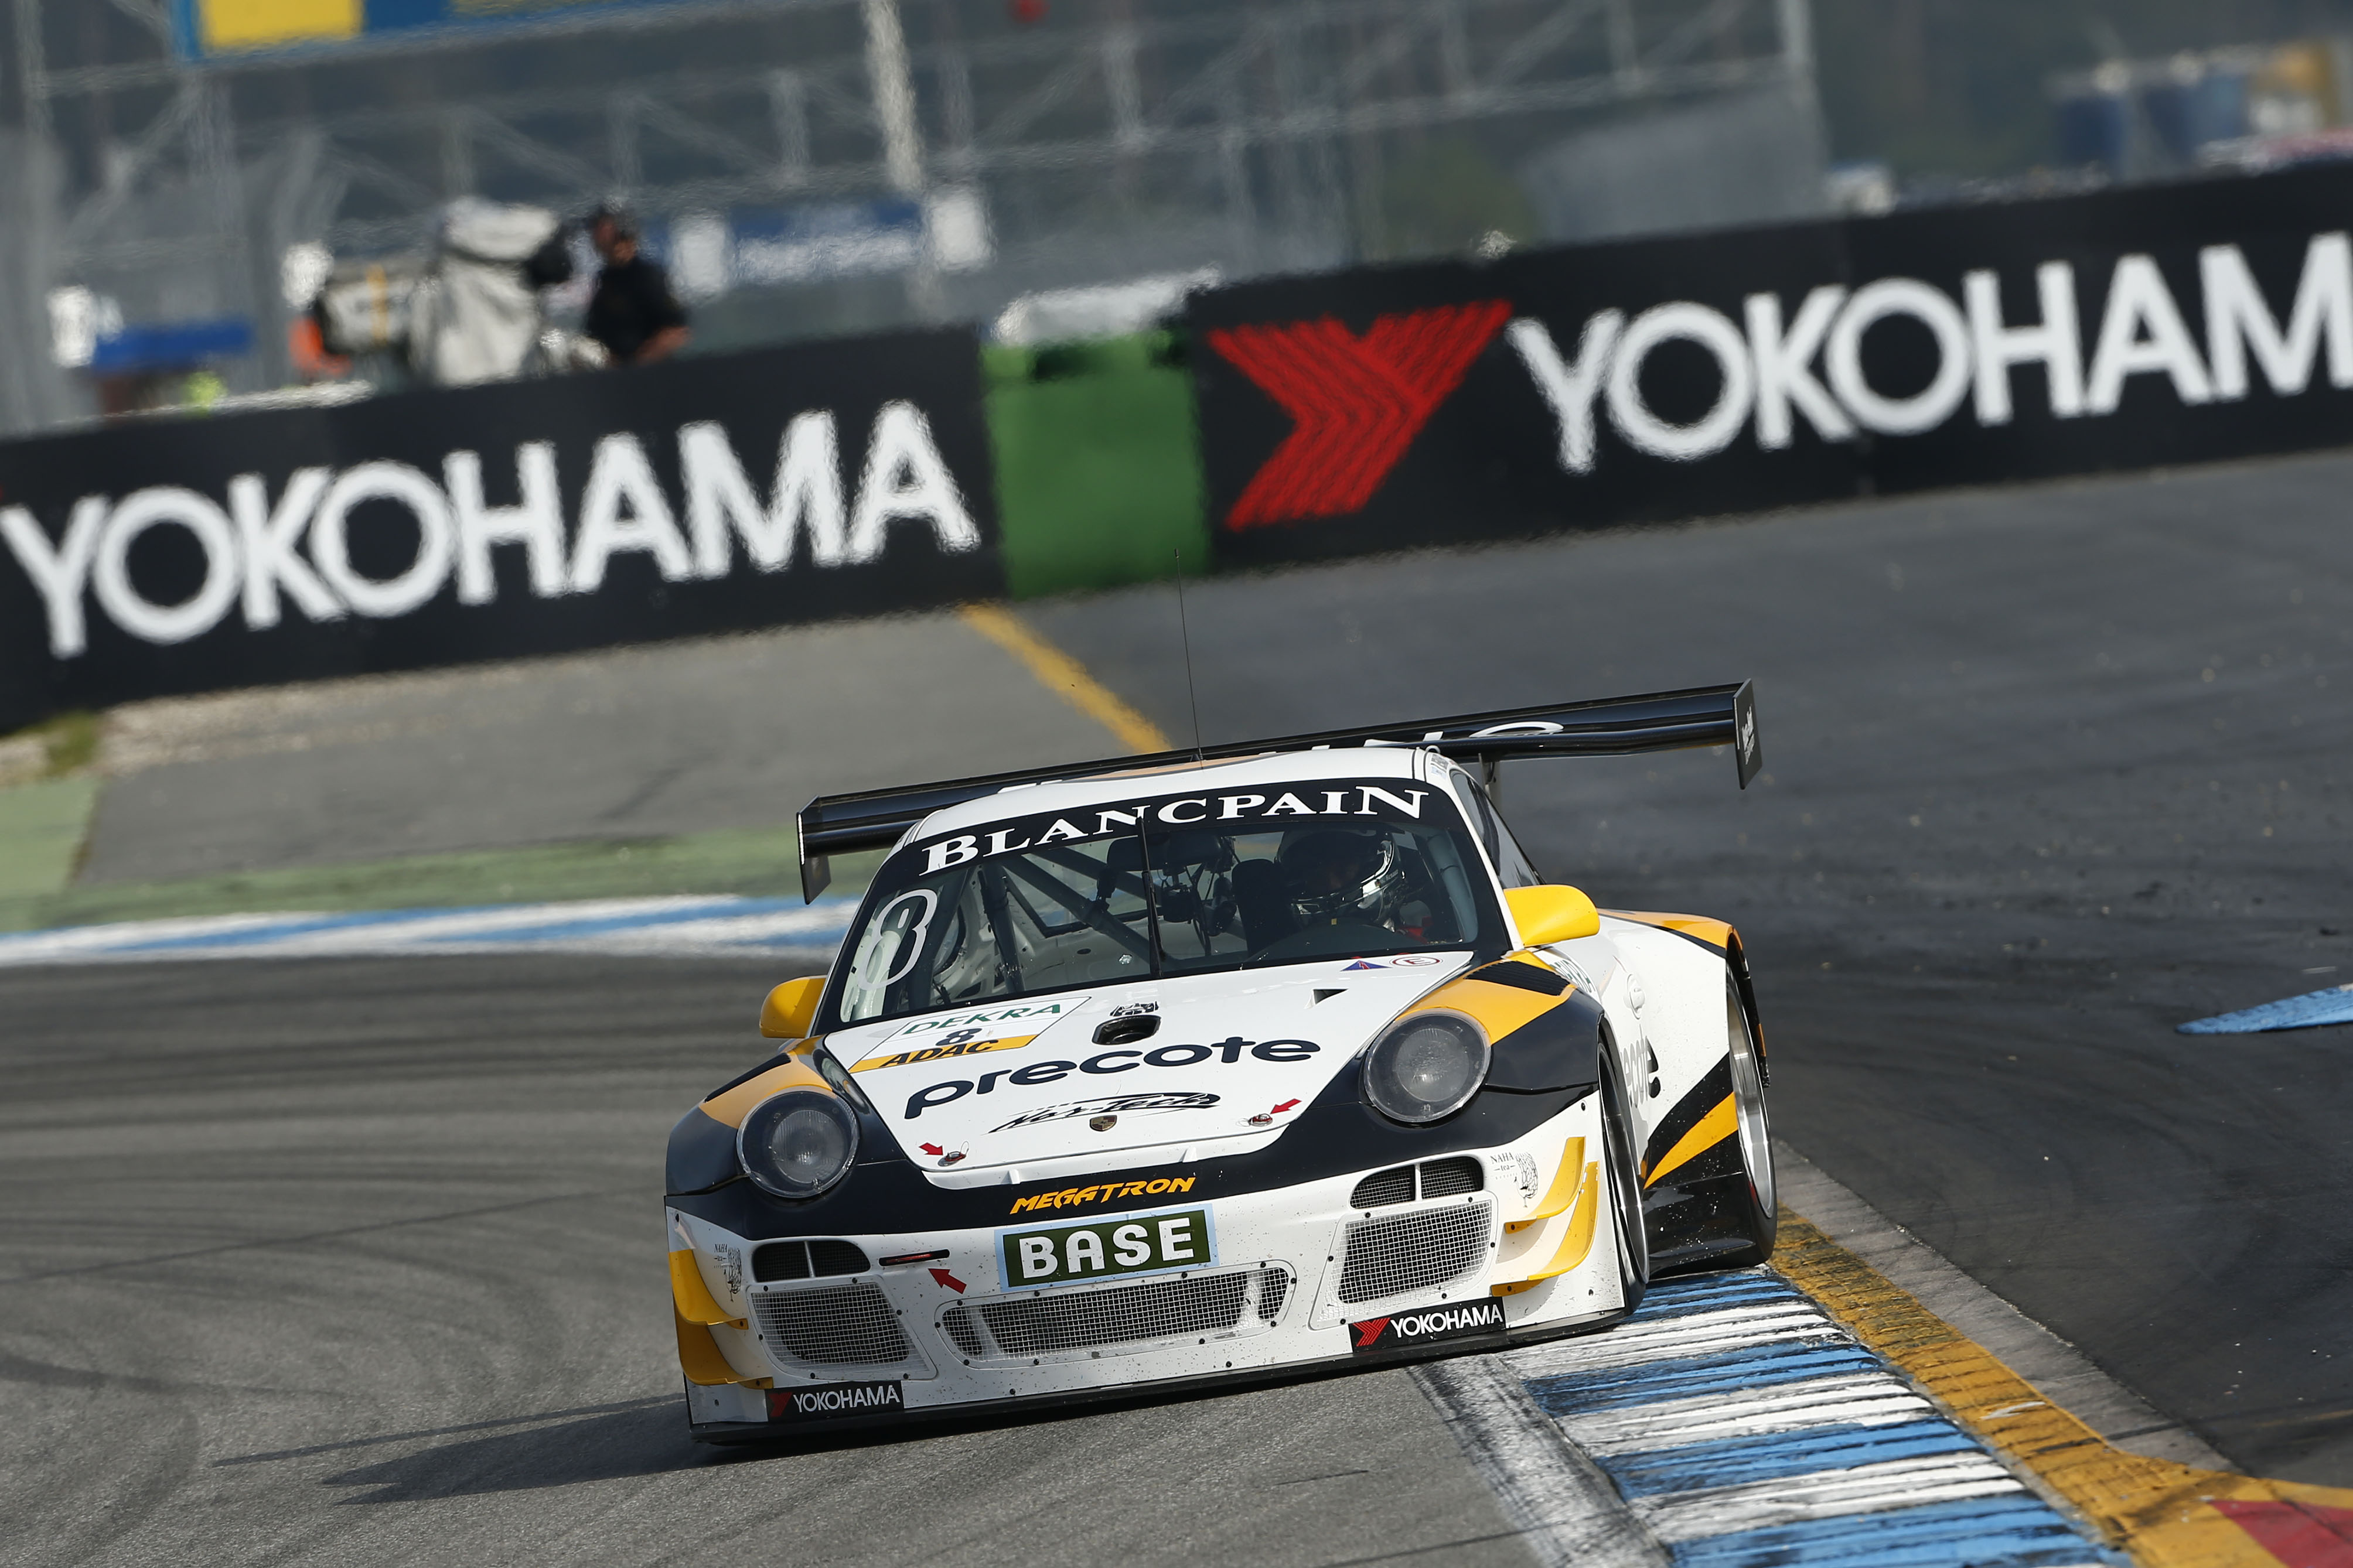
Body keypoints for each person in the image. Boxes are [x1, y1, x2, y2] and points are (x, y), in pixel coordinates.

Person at [584, 204, 690, 365]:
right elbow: (595, 333)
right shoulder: (606, 280)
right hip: (616, 371)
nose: (596, 235)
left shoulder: (647, 276)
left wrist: (639, 365)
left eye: (602, 228)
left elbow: (675, 329)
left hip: (651, 370)